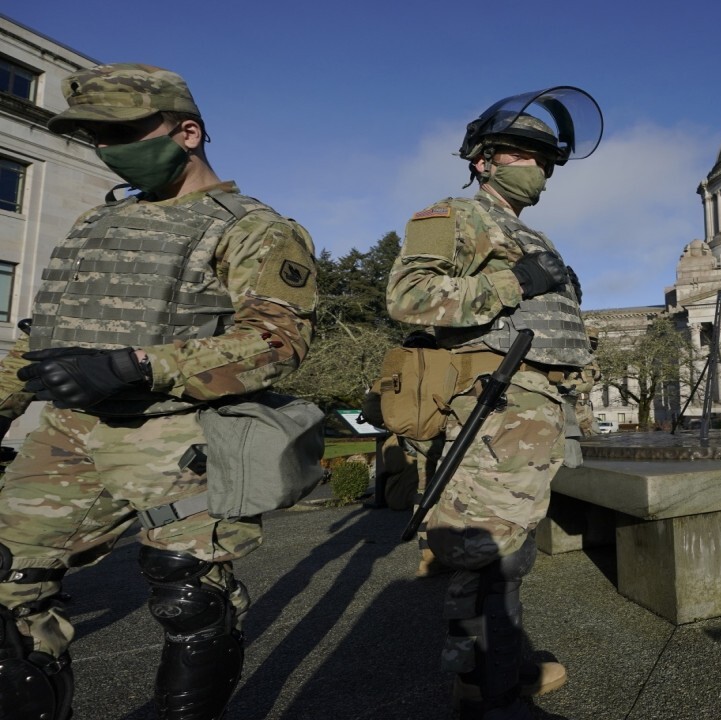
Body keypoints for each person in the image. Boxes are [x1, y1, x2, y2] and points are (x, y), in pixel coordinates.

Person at [0, 64, 318, 720]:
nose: (107, 147)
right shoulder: (97, 225)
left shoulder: (253, 226)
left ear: (189, 132)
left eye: (121, 131)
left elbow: (276, 342)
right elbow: (42, 341)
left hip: (179, 435)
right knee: (9, 587)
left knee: (190, 601)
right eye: (95, 135)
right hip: (64, 435)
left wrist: (135, 366)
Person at [385, 86, 602, 720]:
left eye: (546, 159)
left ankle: (492, 674)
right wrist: (515, 280)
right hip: (493, 407)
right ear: (483, 160)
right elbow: (410, 298)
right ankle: (491, 687)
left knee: (508, 551)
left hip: (531, 412)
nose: (538, 167)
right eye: (523, 153)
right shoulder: (456, 216)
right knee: (488, 557)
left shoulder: (529, 233)